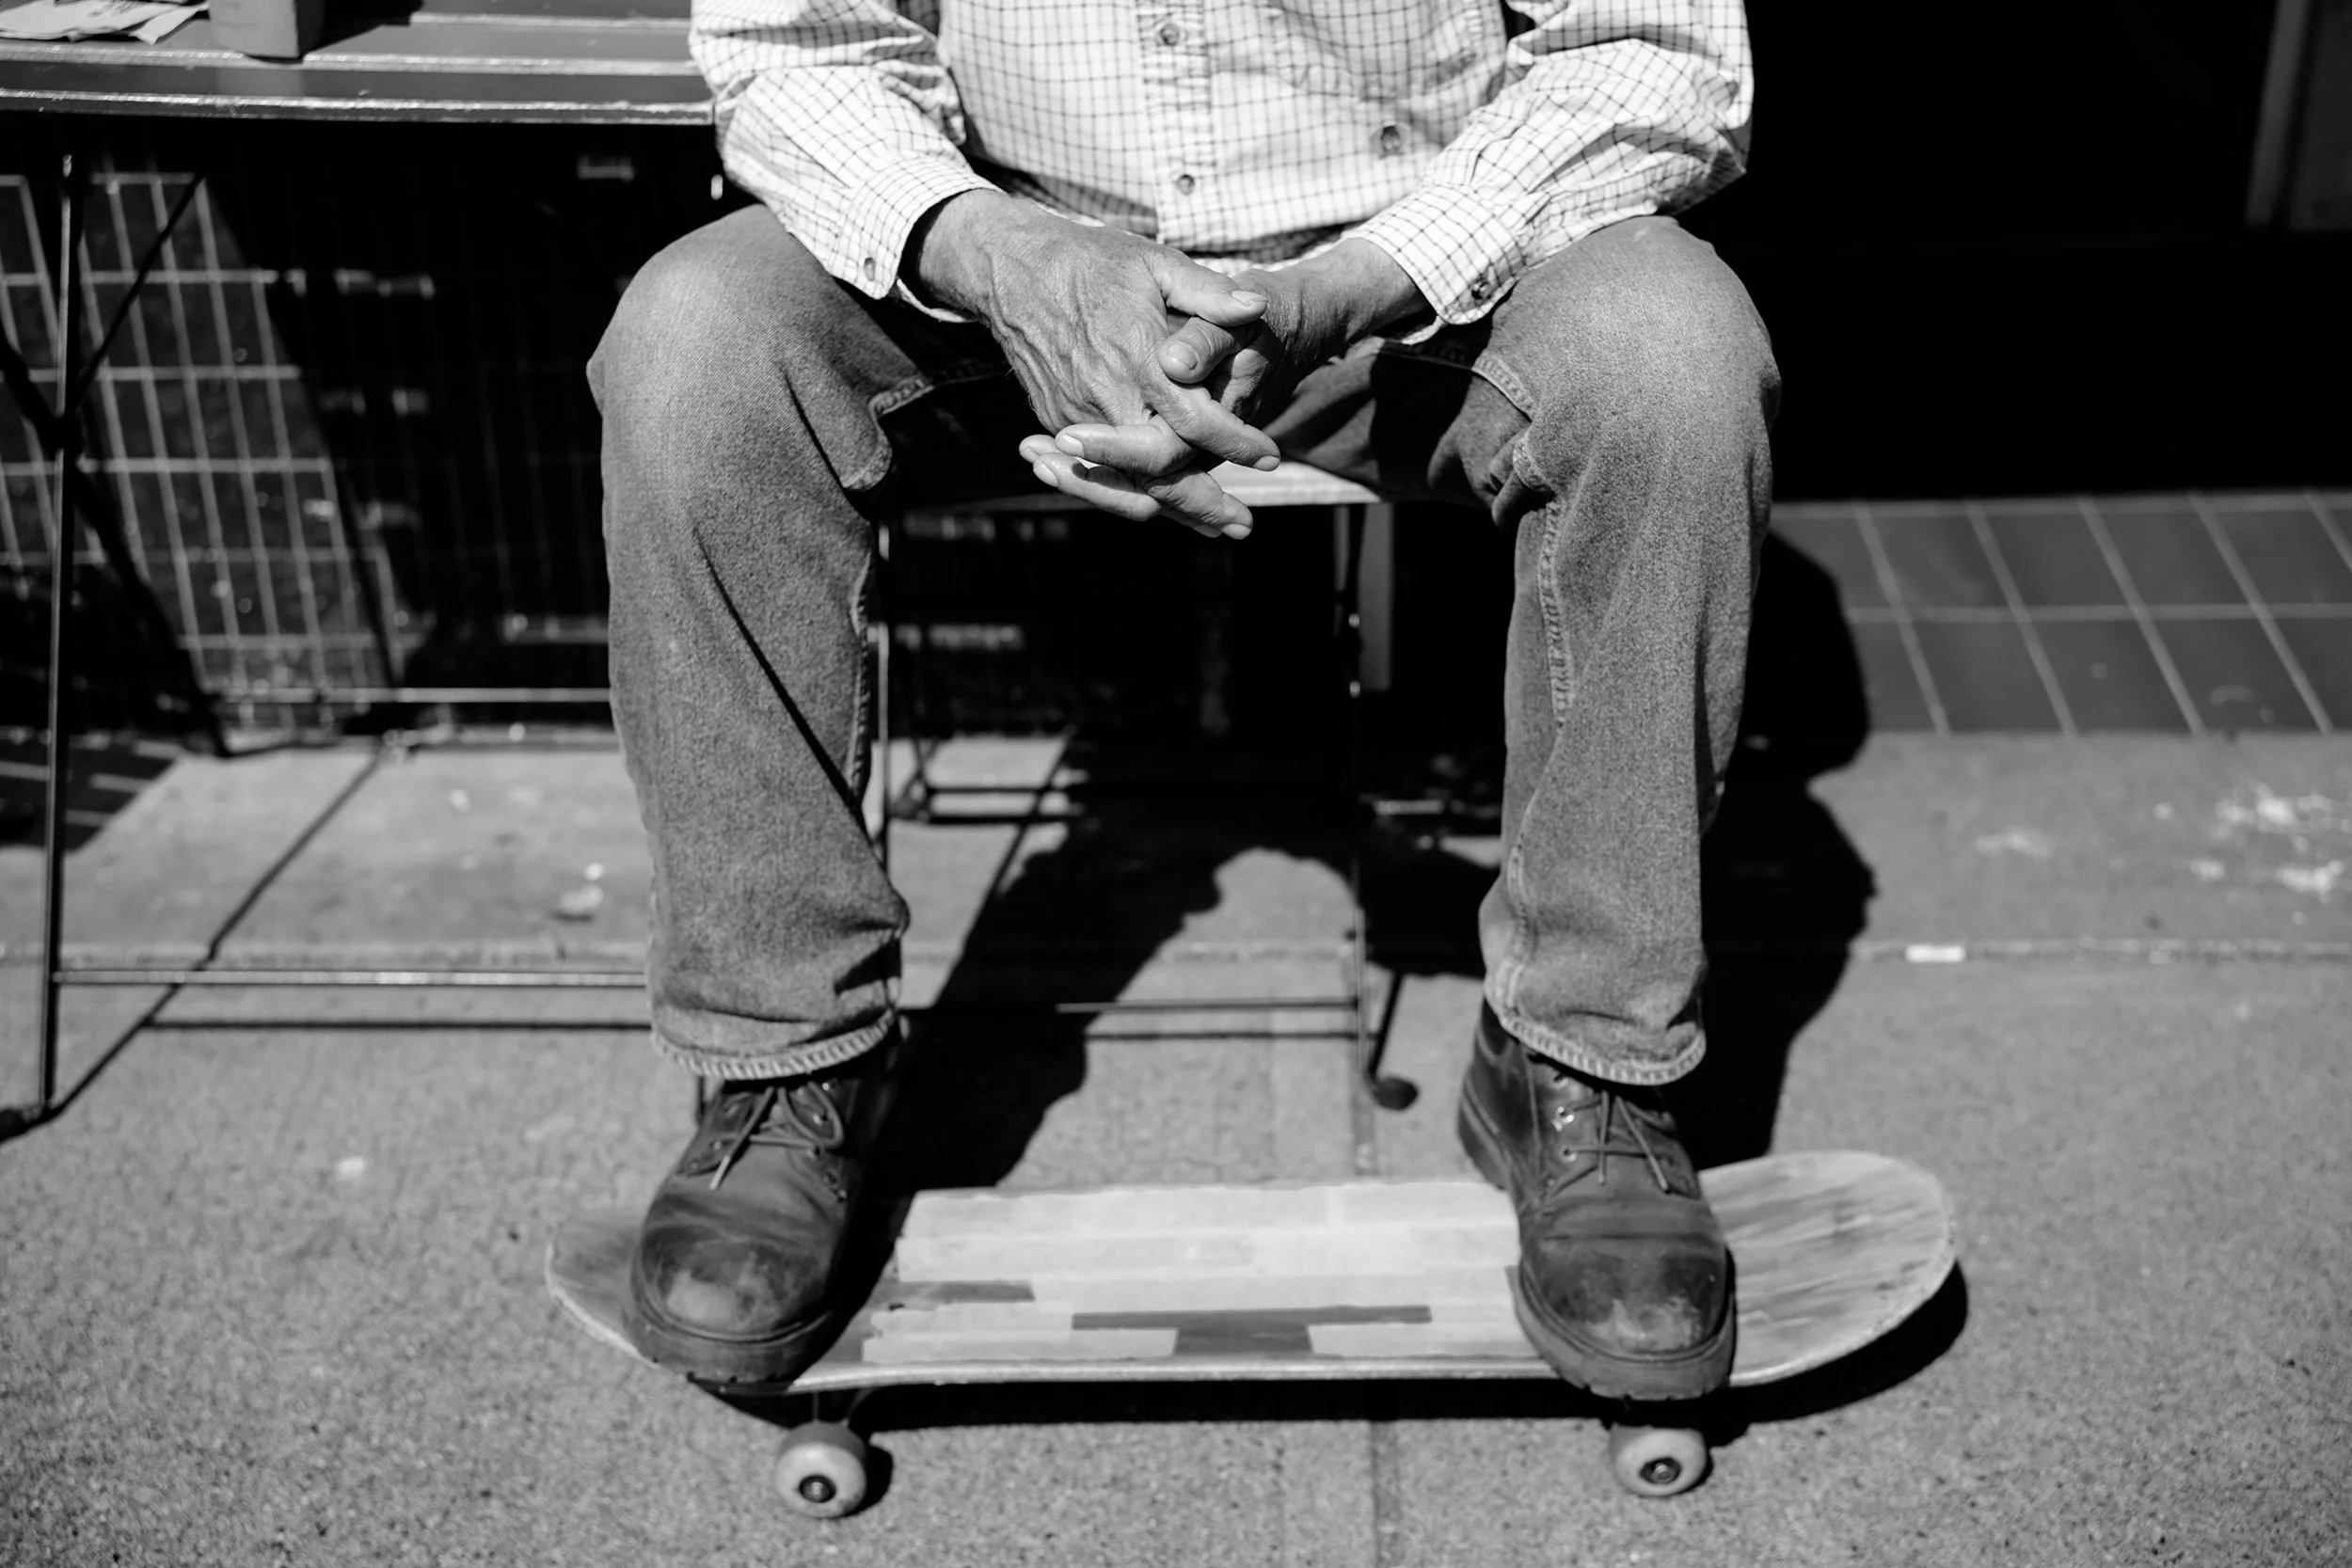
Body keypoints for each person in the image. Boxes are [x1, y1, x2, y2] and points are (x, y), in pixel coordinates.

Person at [589, 0, 1779, 1402]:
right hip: (1000, 280)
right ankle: (786, 1063)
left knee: (1670, 358)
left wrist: (1360, 279)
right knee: (696, 347)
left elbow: (1652, 51)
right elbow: (797, 48)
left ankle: (1581, 1061)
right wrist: (1007, 257)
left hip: (1416, 277)